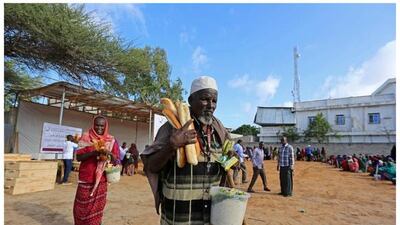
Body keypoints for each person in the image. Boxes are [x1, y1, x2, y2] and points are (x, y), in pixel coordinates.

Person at [141, 76, 235, 225]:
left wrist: (231, 160)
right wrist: (171, 146)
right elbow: (151, 166)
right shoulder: (172, 127)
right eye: (205, 99)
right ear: (191, 100)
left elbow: (225, 164)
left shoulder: (219, 130)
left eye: (214, 101)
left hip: (211, 217)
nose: (211, 105)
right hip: (179, 218)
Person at [73, 116, 120, 225]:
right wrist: (93, 152)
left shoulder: (110, 140)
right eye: (97, 125)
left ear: (106, 126)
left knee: (97, 209)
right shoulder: (86, 137)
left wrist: (108, 153)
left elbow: (116, 159)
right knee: (81, 207)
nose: (99, 128)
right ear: (93, 125)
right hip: (86, 178)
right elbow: (79, 157)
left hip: (102, 180)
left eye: (102, 126)